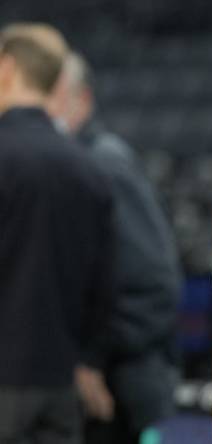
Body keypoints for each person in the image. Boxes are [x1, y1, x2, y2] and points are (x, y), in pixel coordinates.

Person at [47, 51, 183, 444]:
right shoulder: (72, 164)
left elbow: (152, 287)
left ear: (82, 100)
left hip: (116, 391)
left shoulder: (103, 164)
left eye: (50, 95)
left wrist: (92, 359)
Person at [0, 23, 114, 444]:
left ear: (7, 68)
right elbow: (103, 285)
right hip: (62, 387)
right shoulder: (89, 168)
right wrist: (88, 360)